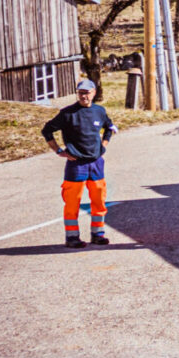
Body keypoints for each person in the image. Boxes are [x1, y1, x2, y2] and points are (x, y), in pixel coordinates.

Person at [42, 78, 115, 247]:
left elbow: (110, 128)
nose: (84, 97)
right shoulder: (67, 113)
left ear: (94, 93)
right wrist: (59, 151)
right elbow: (47, 130)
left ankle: (98, 234)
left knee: (99, 200)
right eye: (81, 93)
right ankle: (72, 237)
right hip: (76, 165)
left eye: (87, 93)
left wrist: (103, 146)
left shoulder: (100, 111)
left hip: (96, 164)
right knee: (73, 201)